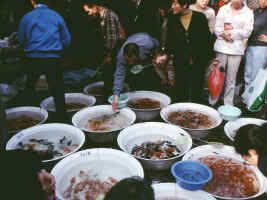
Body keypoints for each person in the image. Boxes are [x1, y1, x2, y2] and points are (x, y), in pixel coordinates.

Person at [18, 0, 70, 122]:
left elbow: (21, 40)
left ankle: (30, 119)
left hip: (32, 58)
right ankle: (62, 119)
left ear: (32, 1)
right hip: (53, 59)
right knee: (57, 89)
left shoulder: (27, 17)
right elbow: (67, 40)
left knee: (30, 87)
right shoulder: (56, 15)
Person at [165, 0, 212, 103]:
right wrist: (166, 55)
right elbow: (169, 40)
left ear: (184, 5)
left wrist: (211, 58)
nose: (172, 6)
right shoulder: (172, 18)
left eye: (175, 4)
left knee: (197, 86)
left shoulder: (200, 17)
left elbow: (207, 39)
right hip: (180, 59)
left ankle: (196, 112)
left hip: (198, 59)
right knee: (181, 87)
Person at [214, 0, 254, 105]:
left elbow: (247, 32)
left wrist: (231, 33)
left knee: (231, 79)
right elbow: (217, 28)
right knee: (217, 76)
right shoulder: (223, 9)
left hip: (236, 49)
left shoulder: (248, 12)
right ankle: (213, 100)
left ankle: (228, 103)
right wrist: (224, 35)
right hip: (221, 47)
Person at [83, 0, 125, 98]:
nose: (88, 14)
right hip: (111, 51)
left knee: (110, 75)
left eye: (88, 11)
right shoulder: (102, 17)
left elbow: (113, 40)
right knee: (108, 76)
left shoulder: (109, 16)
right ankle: (109, 96)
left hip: (115, 50)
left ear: (95, 7)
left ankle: (109, 99)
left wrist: (109, 56)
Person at [112, 32, 165, 110]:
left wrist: (157, 55)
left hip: (145, 40)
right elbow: (119, 75)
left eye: (133, 60)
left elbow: (157, 43)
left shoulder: (148, 44)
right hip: (134, 42)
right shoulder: (121, 57)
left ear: (139, 54)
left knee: (151, 75)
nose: (130, 63)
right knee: (132, 75)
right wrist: (116, 97)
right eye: (128, 60)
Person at [244, 0, 267, 91]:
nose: (261, 1)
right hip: (250, 44)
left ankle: (253, 102)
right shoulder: (255, 11)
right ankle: (246, 99)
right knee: (247, 73)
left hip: (261, 47)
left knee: (255, 75)